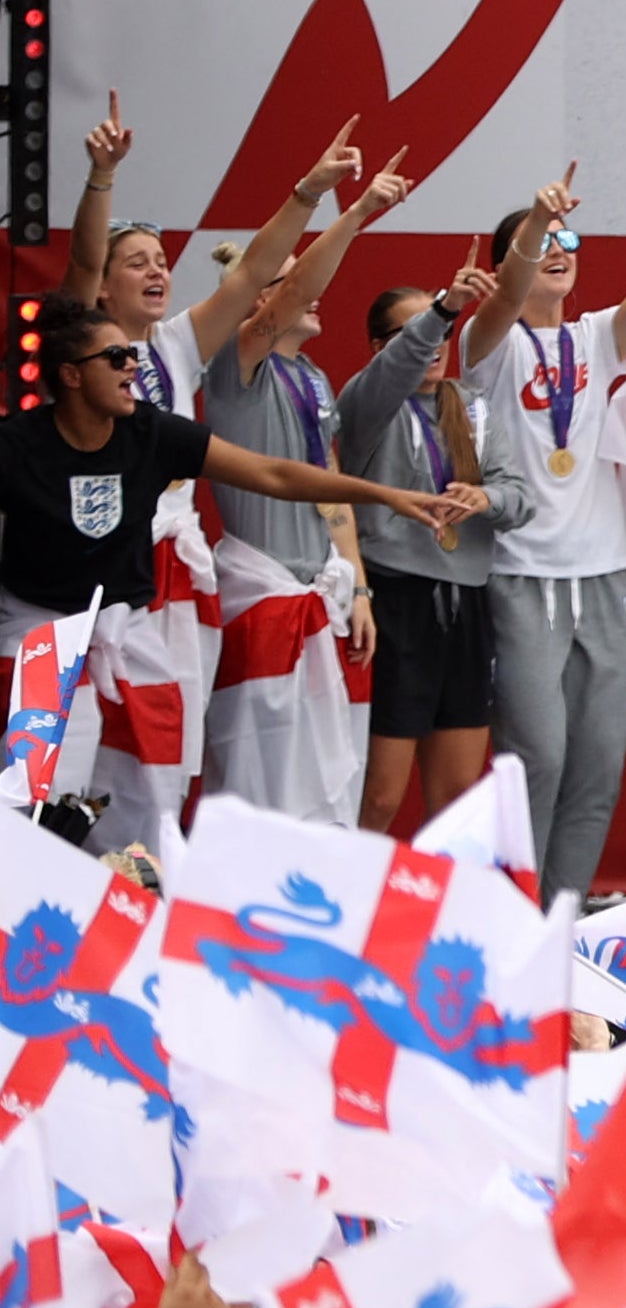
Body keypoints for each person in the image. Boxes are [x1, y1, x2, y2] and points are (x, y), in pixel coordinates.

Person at [57, 99, 365, 847]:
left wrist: (309, 192)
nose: (156, 271)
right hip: (87, 572)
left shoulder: (174, 345)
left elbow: (260, 270)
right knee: (76, 754)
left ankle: (147, 888)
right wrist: (101, 177)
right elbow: (82, 267)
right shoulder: (74, 344)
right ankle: (68, 893)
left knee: (168, 759)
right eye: (138, 263)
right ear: (105, 290)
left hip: (176, 578)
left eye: (162, 263)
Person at [0, 304, 480, 776]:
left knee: (155, 790)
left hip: (129, 626)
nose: (132, 364)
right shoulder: (17, 445)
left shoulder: (150, 431)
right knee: (43, 780)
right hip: (43, 623)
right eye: (114, 357)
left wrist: (387, 496)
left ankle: (130, 859)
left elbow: (274, 474)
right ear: (71, 375)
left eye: (130, 353)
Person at [456, 165, 626, 901]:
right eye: (540, 239)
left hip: (603, 577)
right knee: (537, 756)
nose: (558, 246)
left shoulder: (595, 339)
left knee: (598, 766)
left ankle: (562, 923)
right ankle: (511, 912)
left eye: (566, 237)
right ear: (507, 260)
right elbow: (497, 308)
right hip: (523, 575)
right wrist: (532, 232)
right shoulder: (490, 347)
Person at [199, 144, 415, 824]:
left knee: (332, 786)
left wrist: (357, 585)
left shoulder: (314, 377)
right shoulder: (235, 368)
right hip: (263, 601)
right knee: (262, 789)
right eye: (294, 284)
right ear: (262, 300)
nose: (313, 293)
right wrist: (355, 211)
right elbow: (290, 289)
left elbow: (331, 490)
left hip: (323, 599)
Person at [335, 258, 503, 836]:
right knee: (379, 799)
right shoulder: (365, 405)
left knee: (458, 802)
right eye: (411, 335)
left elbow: (520, 491)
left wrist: (489, 501)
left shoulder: (474, 405)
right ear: (380, 347)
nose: (432, 344)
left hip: (467, 606)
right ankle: (342, 911)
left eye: (439, 334)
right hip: (396, 605)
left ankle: (442, 918)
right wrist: (444, 310)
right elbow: (401, 364)